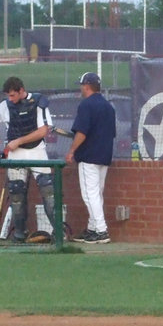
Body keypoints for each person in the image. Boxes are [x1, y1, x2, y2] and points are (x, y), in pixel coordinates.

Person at [0, 76, 57, 242]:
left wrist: (19, 141)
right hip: (16, 155)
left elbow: (43, 131)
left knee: (48, 192)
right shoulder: (5, 105)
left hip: (37, 152)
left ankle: (58, 232)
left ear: (21, 91)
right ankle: (19, 234)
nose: (10, 99)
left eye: (13, 95)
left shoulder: (38, 103)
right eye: (8, 96)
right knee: (16, 196)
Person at [65, 71, 117, 243]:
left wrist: (72, 150)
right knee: (97, 194)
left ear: (86, 86)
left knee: (90, 195)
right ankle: (92, 229)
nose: (81, 88)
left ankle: (101, 230)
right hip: (104, 155)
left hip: (89, 156)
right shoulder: (108, 106)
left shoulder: (86, 105)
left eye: (81, 85)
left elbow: (82, 132)